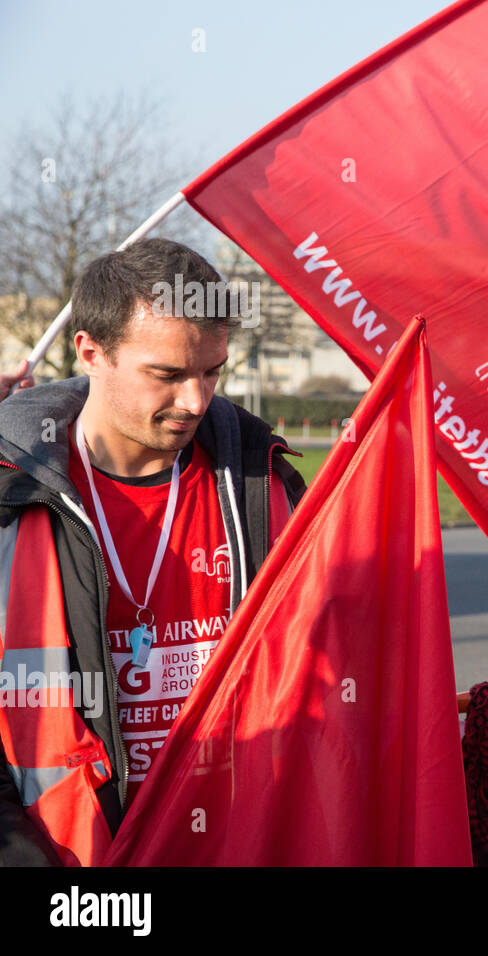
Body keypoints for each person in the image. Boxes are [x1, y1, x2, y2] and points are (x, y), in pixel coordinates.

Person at [0, 238, 307, 865]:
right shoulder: (13, 496)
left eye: (212, 371)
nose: (195, 400)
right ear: (91, 351)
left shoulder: (263, 484)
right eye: (167, 375)